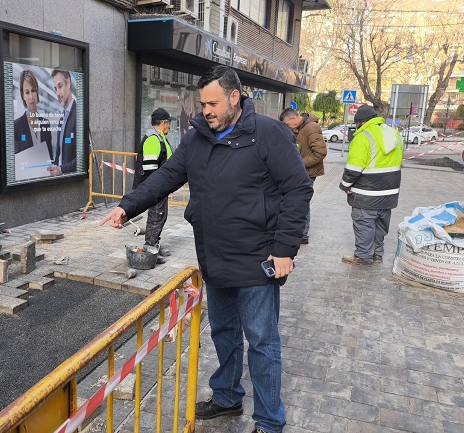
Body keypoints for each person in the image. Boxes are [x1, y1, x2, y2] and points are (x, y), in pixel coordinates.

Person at [100, 65, 312, 433]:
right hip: (214, 259)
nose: (206, 110)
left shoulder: (270, 134)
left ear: (235, 97)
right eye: (203, 104)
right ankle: (227, 397)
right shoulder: (197, 138)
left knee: (262, 342)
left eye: (213, 103)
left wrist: (284, 250)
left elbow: (298, 190)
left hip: (257, 261)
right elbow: (165, 177)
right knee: (224, 333)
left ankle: (269, 421)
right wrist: (126, 205)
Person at [339, 104, 403, 266]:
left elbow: (353, 168)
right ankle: (377, 254)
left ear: (360, 122)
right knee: (380, 224)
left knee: (364, 224)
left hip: (367, 193)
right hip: (389, 191)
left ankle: (363, 256)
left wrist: (345, 186)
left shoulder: (363, 137)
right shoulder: (394, 133)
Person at [279, 108, 327, 244]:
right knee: (298, 202)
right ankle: (300, 233)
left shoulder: (311, 127)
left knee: (302, 202)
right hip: (301, 172)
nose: (288, 127)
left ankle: (303, 235)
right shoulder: (300, 128)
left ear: (293, 119)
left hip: (307, 173)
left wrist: (299, 163)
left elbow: (320, 153)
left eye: (287, 124)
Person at [133, 108, 174, 256]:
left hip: (160, 186)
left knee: (159, 215)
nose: (169, 126)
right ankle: (150, 247)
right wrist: (156, 189)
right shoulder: (153, 139)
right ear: (163, 123)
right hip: (156, 187)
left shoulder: (159, 137)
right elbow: (150, 169)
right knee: (157, 216)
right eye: (169, 123)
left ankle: (154, 243)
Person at [14, 69, 53, 159]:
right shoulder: (16, 126)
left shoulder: (46, 124)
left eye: (33, 90)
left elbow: (50, 158)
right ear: (23, 96)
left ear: (37, 92)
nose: (31, 97)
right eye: (27, 92)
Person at [48, 69, 78, 176]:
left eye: (60, 86)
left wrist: (62, 170)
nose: (57, 94)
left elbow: (83, 157)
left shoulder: (78, 115)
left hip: (71, 180)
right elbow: (59, 154)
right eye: (55, 89)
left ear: (68, 83)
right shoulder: (62, 119)